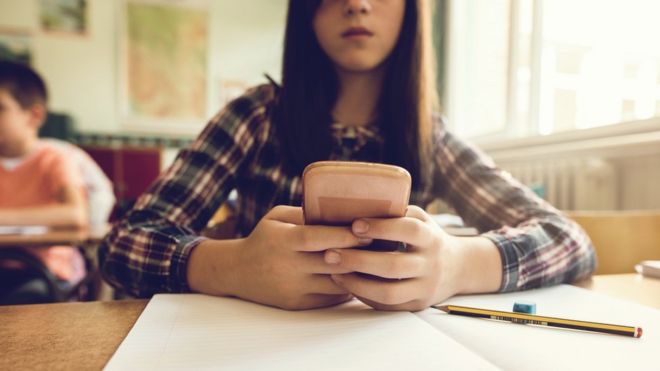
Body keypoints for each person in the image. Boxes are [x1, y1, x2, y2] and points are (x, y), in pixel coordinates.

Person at [100, 0, 595, 311]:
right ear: (306, 11)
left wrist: (459, 265)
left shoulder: (432, 138)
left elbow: (568, 239)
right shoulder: (254, 116)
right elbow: (123, 245)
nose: (357, 5)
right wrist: (232, 266)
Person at [0, 60, 88, 304]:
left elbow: (75, 214)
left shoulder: (55, 158)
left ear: (34, 116)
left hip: (44, 271)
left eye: (0, 108)